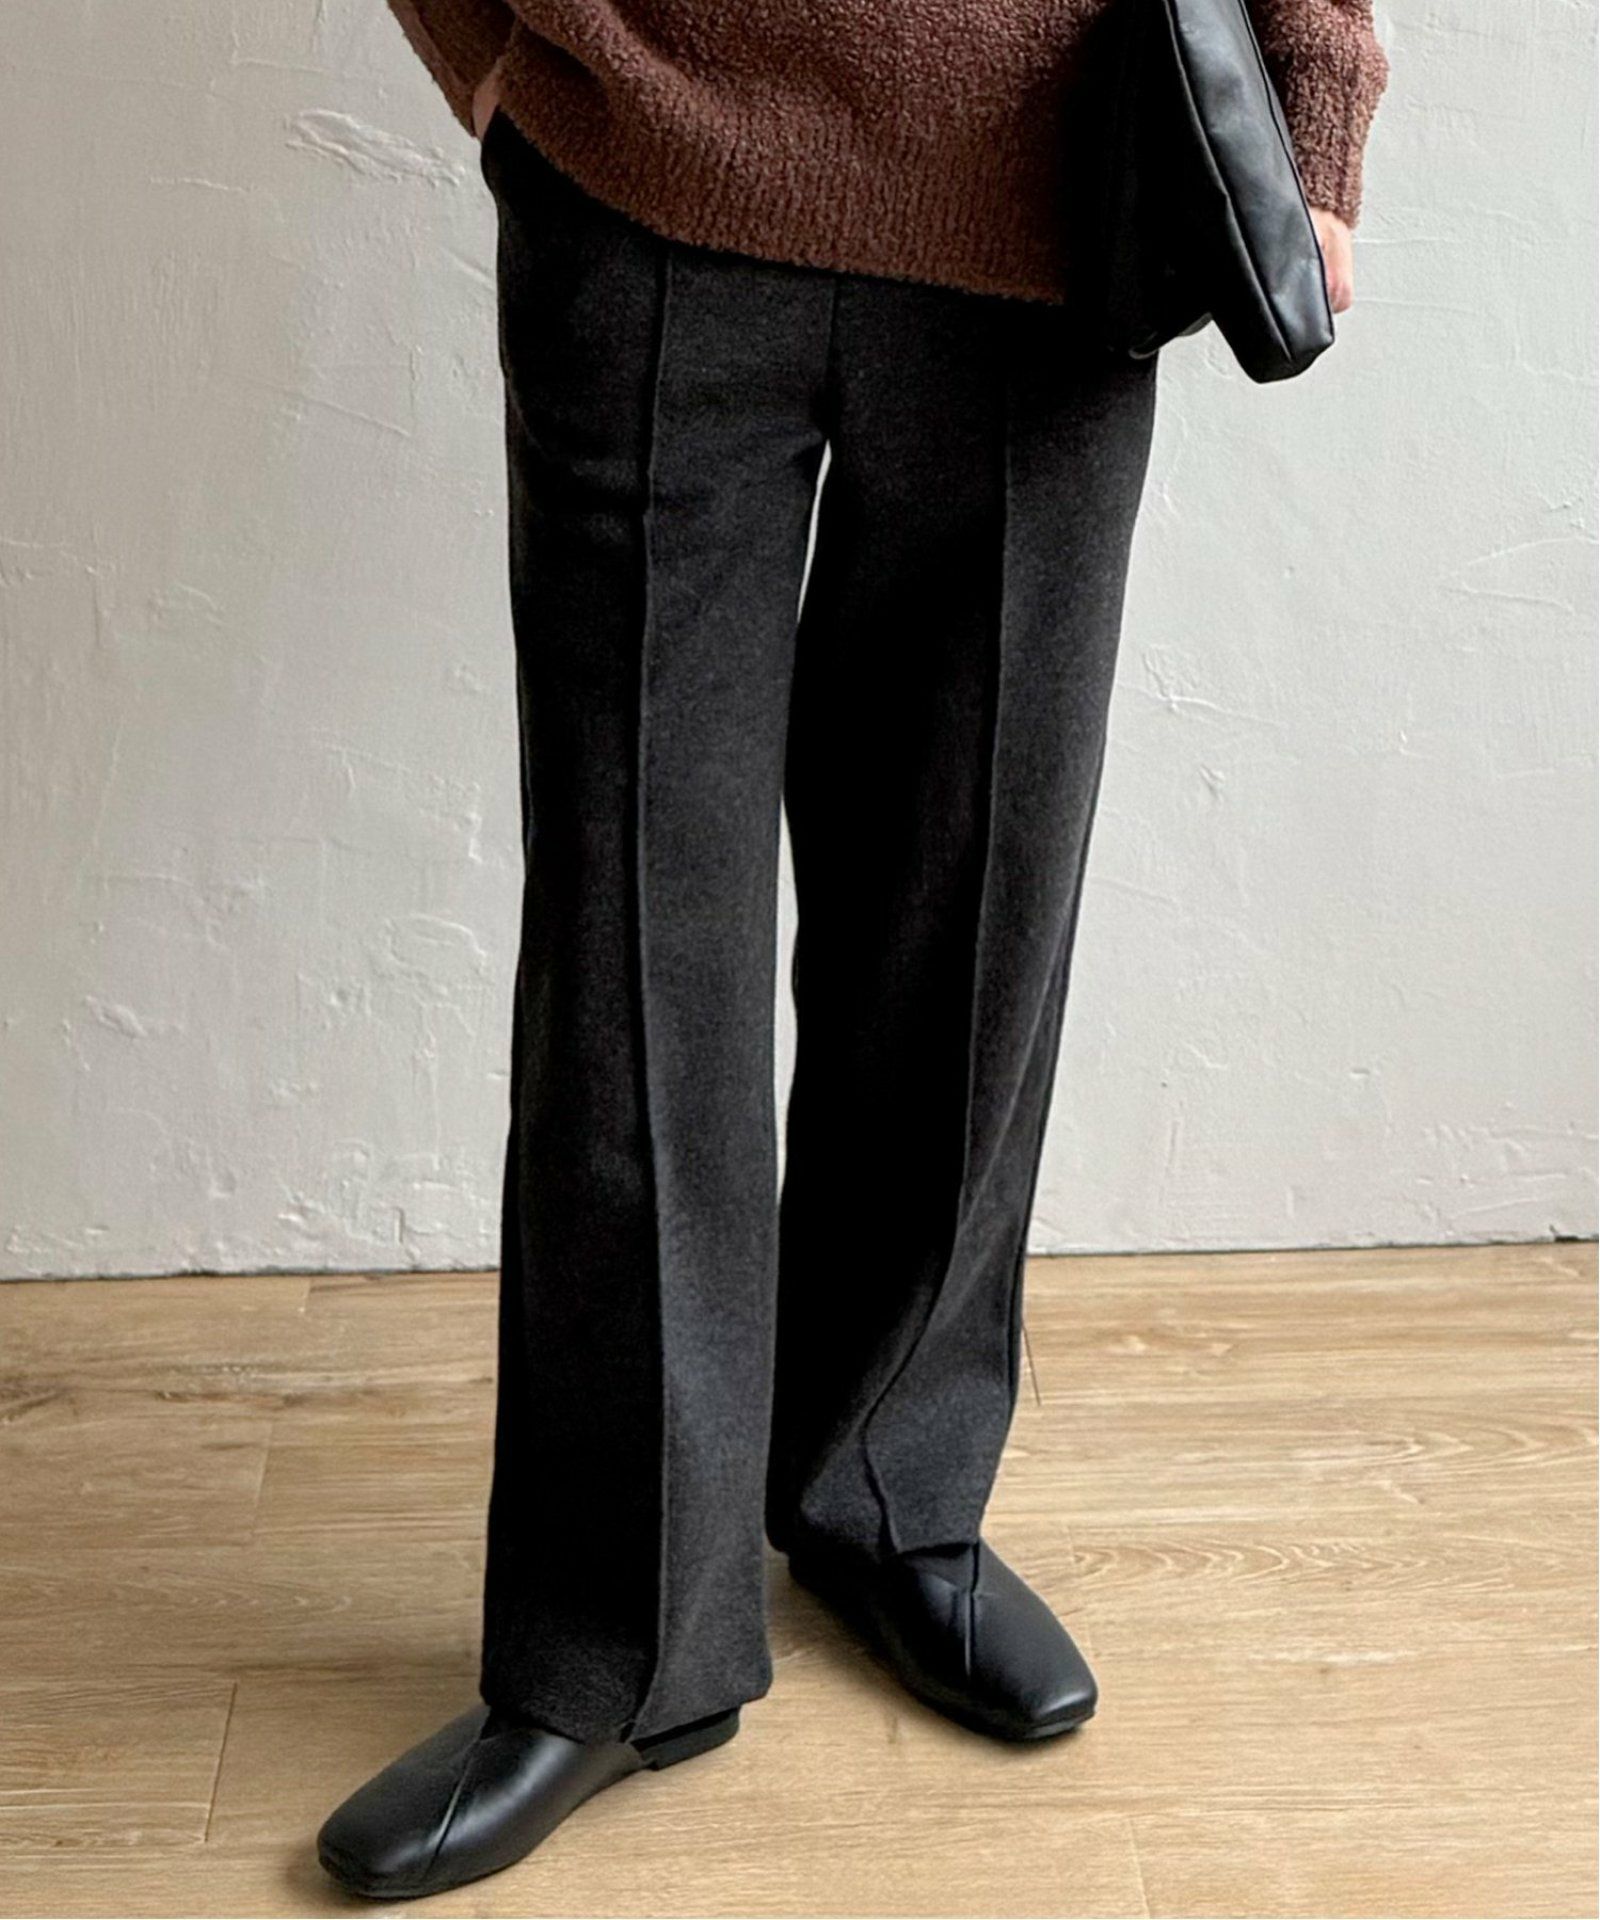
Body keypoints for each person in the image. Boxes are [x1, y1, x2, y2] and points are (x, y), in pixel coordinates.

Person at [317, 0, 1390, 1899]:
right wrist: (499, 63)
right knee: (635, 949)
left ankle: (893, 1493)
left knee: (972, 908)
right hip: (647, 161)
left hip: (1058, 209)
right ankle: (616, 1645)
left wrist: (1312, 110)